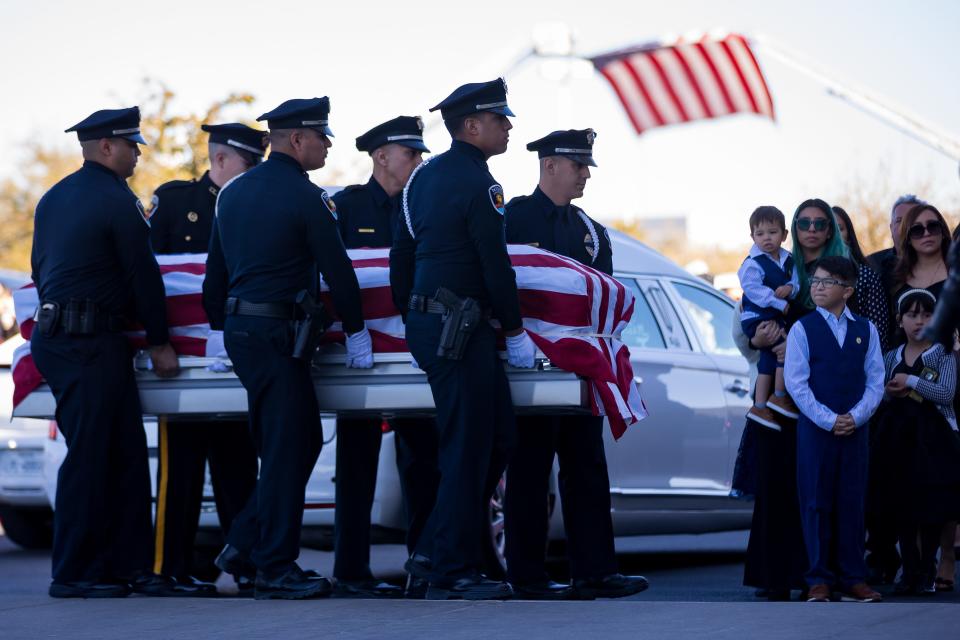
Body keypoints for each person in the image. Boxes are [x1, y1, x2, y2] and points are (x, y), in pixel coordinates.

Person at [202, 97, 373, 600]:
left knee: (289, 446)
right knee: (290, 448)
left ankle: (245, 546)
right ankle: (274, 565)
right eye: (321, 137)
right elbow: (337, 269)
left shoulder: (231, 194)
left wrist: (219, 326)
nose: (326, 145)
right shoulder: (307, 196)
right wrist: (358, 330)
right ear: (296, 140)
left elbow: (215, 273)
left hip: (243, 334)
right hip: (279, 336)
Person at [389, 78, 533, 600]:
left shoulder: (420, 180)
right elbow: (495, 264)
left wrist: (413, 313)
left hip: (442, 323)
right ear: (471, 126)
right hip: (457, 327)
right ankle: (449, 570)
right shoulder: (479, 183)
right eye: (500, 119)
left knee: (496, 439)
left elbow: (400, 258)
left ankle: (433, 549)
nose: (509, 126)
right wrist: (515, 329)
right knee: (470, 445)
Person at [31, 107, 182, 598]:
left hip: (72, 338)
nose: (138, 153)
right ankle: (75, 572)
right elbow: (143, 275)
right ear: (105, 148)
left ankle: (125, 566)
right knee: (95, 455)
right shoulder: (117, 200)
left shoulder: (54, 198)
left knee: (123, 454)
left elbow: (39, 267)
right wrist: (159, 341)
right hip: (85, 342)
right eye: (132, 145)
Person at [502, 129, 648, 600]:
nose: (586, 175)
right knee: (528, 471)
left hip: (580, 370)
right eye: (579, 166)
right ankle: (527, 575)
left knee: (587, 467)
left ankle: (595, 571)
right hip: (530, 368)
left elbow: (601, 296)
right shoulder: (511, 219)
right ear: (550, 166)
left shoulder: (590, 231)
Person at [148, 123, 266, 595]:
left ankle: (246, 567)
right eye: (250, 163)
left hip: (235, 360)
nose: (257, 171)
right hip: (184, 367)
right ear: (220, 161)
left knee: (238, 468)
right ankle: (167, 568)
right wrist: (158, 341)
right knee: (181, 474)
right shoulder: (176, 203)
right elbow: (152, 275)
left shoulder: (257, 204)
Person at [330, 116, 439, 599]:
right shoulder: (346, 207)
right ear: (380, 157)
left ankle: (425, 564)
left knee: (423, 462)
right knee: (356, 465)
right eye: (411, 153)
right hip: (364, 358)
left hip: (413, 356)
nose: (418, 161)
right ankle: (351, 571)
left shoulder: (424, 204)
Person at [785, 255, 884, 603]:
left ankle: (853, 577)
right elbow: (796, 384)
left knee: (852, 500)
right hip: (816, 431)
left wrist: (856, 417)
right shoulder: (803, 328)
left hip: (856, 431)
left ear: (848, 290)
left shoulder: (866, 329)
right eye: (815, 281)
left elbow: (876, 380)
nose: (818, 287)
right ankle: (818, 578)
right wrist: (829, 419)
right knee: (815, 501)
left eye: (827, 282)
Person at [888, 202, 959, 591]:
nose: (927, 233)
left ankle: (946, 557)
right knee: (918, 477)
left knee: (947, 476)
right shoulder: (898, 276)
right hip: (916, 378)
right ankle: (914, 562)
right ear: (906, 237)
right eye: (917, 229)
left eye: (934, 226)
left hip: (947, 368)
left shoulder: (956, 269)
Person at [871, 289, 960, 595]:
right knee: (901, 505)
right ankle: (909, 568)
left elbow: (946, 392)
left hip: (934, 443)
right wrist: (888, 391)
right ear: (900, 320)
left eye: (926, 314)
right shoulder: (890, 356)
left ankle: (926, 568)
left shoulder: (942, 353)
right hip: (897, 443)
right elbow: (879, 394)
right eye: (912, 314)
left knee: (931, 506)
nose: (919, 321)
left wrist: (910, 381)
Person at [737, 206, 800, 428]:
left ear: (784, 235)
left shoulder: (789, 259)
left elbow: (798, 281)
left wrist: (791, 288)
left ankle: (760, 406)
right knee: (785, 348)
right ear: (752, 236)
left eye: (772, 232)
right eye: (760, 233)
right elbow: (754, 290)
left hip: (773, 317)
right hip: (757, 317)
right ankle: (779, 395)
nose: (767, 238)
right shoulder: (752, 263)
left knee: (768, 358)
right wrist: (780, 303)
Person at [832, 205, 891, 350]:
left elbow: (879, 329)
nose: (835, 235)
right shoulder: (805, 274)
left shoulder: (865, 275)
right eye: (830, 229)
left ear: (849, 234)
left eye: (840, 228)